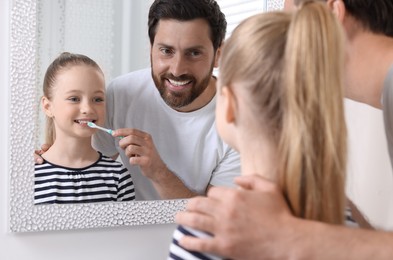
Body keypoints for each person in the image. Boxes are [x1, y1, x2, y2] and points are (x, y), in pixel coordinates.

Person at [175, 0, 393, 259]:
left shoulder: (211, 228)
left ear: (230, 105)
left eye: (297, 18)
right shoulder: (343, 225)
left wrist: (290, 236)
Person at [35, 0, 240, 201]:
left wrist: (159, 173)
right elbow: (86, 161)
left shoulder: (242, 121)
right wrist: (48, 160)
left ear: (218, 55)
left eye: (194, 53)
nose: (177, 69)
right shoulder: (120, 93)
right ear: (151, 48)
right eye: (166, 51)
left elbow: (216, 221)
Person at [35, 52, 135, 205]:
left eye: (97, 99)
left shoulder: (118, 176)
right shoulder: (28, 176)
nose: (87, 108)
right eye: (74, 99)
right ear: (48, 106)